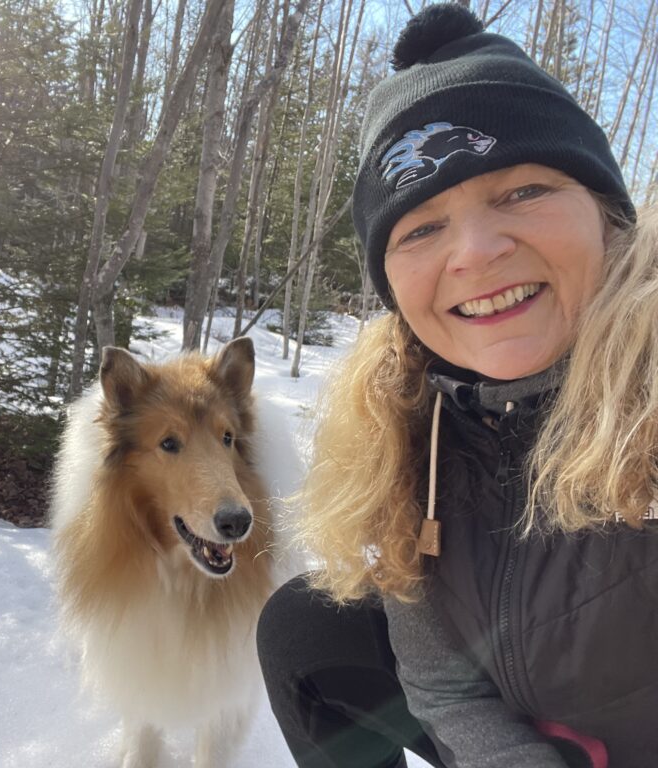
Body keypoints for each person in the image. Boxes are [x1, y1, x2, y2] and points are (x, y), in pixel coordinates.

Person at [256, 4, 658, 768]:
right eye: (421, 227)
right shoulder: (417, 423)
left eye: (522, 192)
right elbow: (441, 683)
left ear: (609, 217)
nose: (475, 252)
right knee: (309, 624)